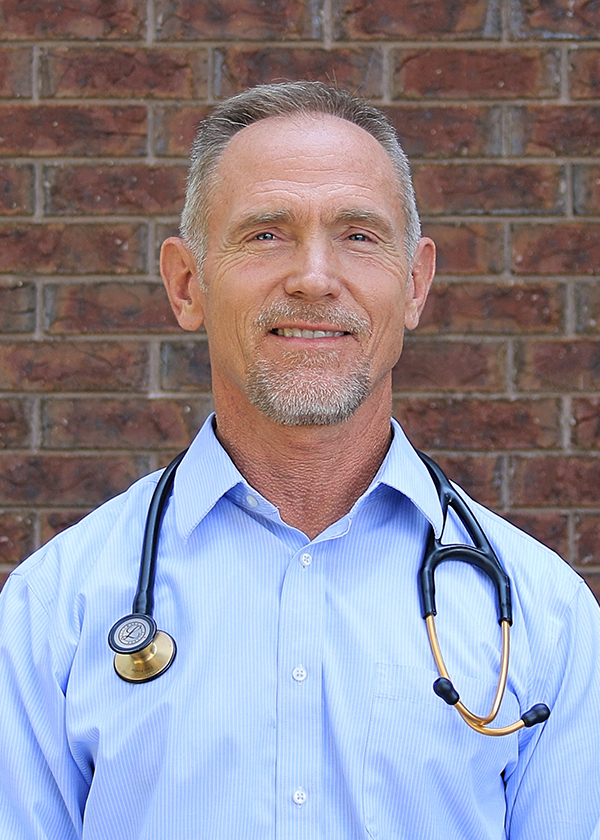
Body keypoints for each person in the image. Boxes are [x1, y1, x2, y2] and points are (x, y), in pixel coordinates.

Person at [0, 81, 598, 840]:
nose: (314, 277)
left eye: (357, 235)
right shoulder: (55, 611)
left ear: (414, 283)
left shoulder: (549, 617)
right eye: (265, 233)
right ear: (187, 284)